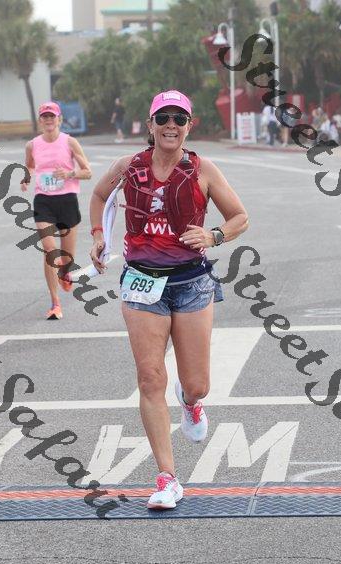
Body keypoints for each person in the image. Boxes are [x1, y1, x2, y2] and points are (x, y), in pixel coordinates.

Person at [89, 90, 248, 510]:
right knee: (149, 378)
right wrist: (99, 235)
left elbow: (240, 217)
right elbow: (99, 195)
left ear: (189, 125)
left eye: (179, 118)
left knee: (197, 384)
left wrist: (213, 235)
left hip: (191, 282)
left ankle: (190, 402)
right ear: (151, 124)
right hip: (142, 281)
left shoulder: (203, 169)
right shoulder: (129, 167)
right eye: (163, 118)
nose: (171, 125)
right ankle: (167, 478)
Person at [21, 101, 92, 320]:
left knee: (67, 257)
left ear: (59, 119)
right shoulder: (32, 145)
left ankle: (64, 271)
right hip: (44, 201)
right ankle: (55, 303)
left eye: (52, 116)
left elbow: (87, 172)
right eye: (45, 117)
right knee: (50, 250)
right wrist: (26, 177)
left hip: (67, 200)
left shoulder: (70, 142)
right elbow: (30, 165)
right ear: (40, 121)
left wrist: (69, 174)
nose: (49, 120)